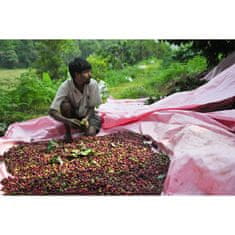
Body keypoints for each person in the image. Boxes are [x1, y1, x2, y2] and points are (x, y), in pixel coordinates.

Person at [48, 57, 102, 142]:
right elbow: (52, 111)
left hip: (88, 115)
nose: (90, 75)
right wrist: (68, 121)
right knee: (65, 105)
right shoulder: (65, 86)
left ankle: (84, 126)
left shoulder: (92, 84)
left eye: (90, 71)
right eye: (86, 72)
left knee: (90, 133)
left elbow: (92, 107)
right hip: (72, 115)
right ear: (77, 74)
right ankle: (68, 133)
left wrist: (86, 119)